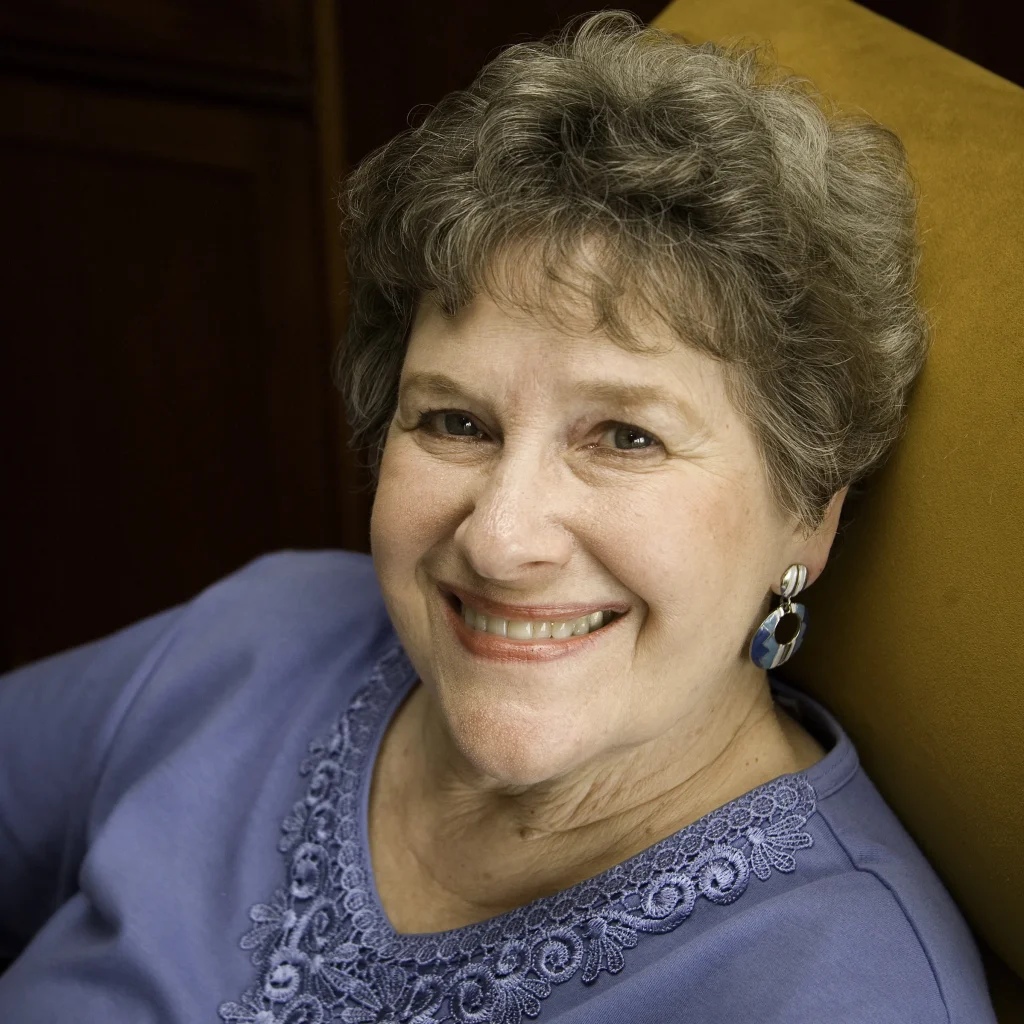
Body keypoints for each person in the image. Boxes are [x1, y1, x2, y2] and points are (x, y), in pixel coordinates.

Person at [0, 10, 997, 1023]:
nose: (499, 537)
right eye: (456, 421)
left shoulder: (838, 991)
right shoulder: (264, 637)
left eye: (626, 436)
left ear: (808, 516)